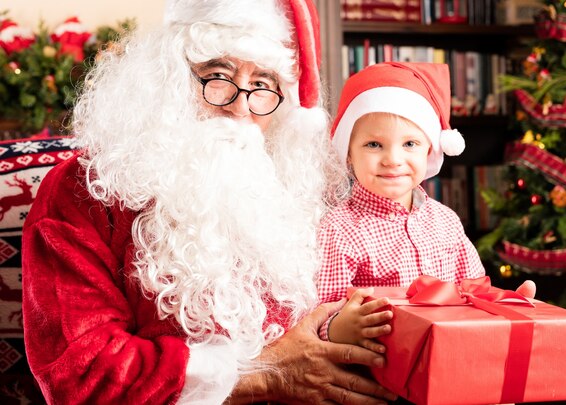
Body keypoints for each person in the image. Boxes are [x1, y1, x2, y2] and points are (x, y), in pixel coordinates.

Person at [20, 0, 398, 403]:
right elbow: (83, 374)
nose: (239, 107)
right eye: (218, 75)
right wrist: (263, 376)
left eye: (264, 83)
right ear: (167, 79)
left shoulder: (295, 186)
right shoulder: (85, 188)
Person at [316, 62, 535, 350]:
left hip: (450, 359)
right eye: (373, 145)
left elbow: (473, 291)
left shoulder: (446, 222)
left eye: (409, 144)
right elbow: (319, 316)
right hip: (380, 372)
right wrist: (339, 328)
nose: (392, 159)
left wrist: (502, 305)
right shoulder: (339, 230)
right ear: (348, 154)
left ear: (430, 149)